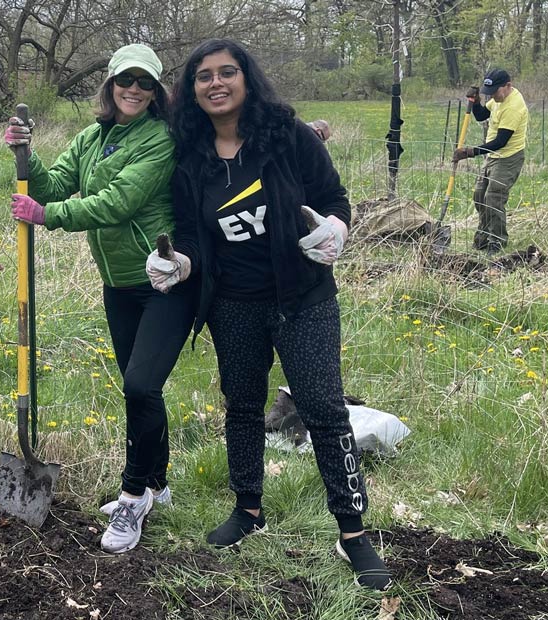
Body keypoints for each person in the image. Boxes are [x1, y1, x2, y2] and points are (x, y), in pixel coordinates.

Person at [155, 38, 391, 590]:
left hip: (302, 298)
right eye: (203, 76)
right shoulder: (190, 158)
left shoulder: (288, 137)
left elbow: (334, 198)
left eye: (226, 72)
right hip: (233, 304)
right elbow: (191, 236)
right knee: (241, 405)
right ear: (191, 91)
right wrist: (180, 264)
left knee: (324, 408)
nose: (216, 83)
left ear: (246, 79)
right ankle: (248, 509)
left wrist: (335, 230)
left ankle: (353, 531)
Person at [3, 43, 195, 554]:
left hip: (164, 281)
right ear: (110, 84)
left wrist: (50, 217)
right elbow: (54, 183)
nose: (134, 89)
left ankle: (133, 497)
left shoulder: (159, 140)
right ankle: (158, 484)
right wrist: (28, 154)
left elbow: (119, 202)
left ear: (156, 93)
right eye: (125, 79)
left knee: (138, 384)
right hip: (119, 286)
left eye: (145, 82)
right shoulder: (91, 138)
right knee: (142, 389)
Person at [454, 69, 528, 254]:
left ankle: (497, 242)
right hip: (493, 156)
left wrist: (470, 152)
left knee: (493, 198)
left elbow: (500, 142)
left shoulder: (513, 107)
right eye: (490, 92)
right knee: (480, 196)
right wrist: (476, 102)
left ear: (508, 86)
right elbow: (480, 116)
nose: (493, 96)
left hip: (508, 157)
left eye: (495, 91)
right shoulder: (497, 99)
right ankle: (483, 238)